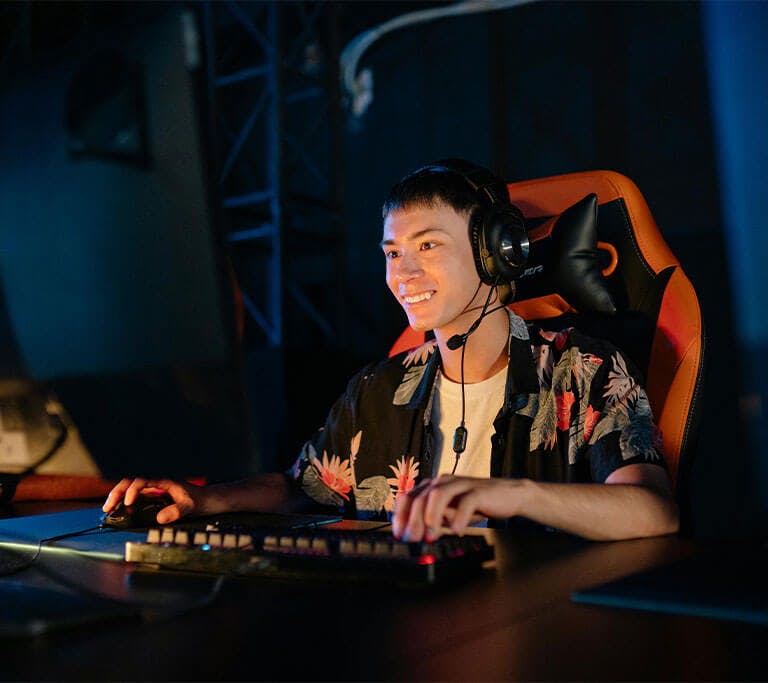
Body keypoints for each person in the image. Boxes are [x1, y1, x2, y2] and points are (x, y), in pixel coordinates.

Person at [103, 159, 679, 541]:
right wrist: (207, 502)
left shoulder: (584, 370)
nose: (403, 272)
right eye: (391, 252)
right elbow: (301, 488)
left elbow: (653, 511)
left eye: (427, 245)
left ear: (496, 256)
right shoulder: (379, 388)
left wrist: (508, 494)